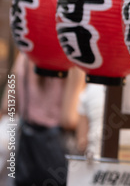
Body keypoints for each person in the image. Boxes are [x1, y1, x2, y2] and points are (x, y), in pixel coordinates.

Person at [5, 52, 85, 186]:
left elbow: (8, 105)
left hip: (27, 146)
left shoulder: (24, 56)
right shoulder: (71, 61)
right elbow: (69, 119)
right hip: (56, 151)